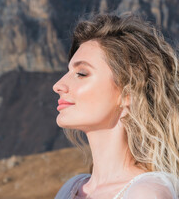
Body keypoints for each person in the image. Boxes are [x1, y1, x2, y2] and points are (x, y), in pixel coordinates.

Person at [53, 13, 179, 199]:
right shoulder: (71, 189)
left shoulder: (146, 193)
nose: (58, 86)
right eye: (68, 71)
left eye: (81, 73)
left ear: (128, 93)